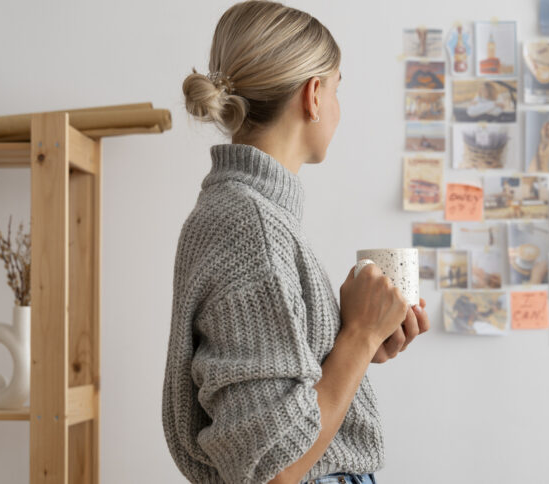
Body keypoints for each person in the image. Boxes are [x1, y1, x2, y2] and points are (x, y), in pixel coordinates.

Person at [161, 2, 431, 484]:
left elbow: (278, 412)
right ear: (313, 95)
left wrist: (361, 340)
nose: (339, 109)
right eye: (337, 89)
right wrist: (359, 335)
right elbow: (274, 468)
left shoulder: (250, 214)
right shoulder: (249, 224)